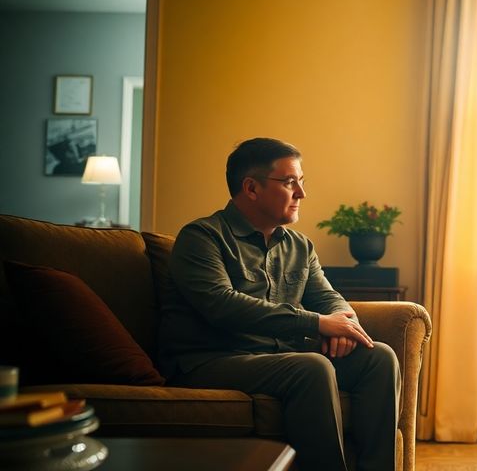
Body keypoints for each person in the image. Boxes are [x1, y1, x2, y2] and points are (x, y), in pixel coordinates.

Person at [159, 138, 400, 471]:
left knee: (379, 358)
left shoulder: (299, 246)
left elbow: (327, 296)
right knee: (311, 366)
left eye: (301, 182)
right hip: (214, 359)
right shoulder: (202, 237)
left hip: (277, 358)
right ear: (252, 188)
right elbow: (222, 305)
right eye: (290, 183)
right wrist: (316, 323)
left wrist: (343, 319)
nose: (301, 193)